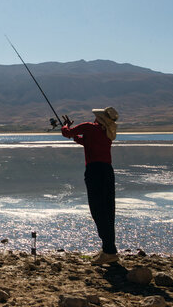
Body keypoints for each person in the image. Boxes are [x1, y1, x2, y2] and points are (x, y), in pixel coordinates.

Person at [61, 106, 120, 265]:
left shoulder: (89, 127)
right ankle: (109, 250)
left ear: (99, 118)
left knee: (98, 211)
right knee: (108, 211)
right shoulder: (107, 133)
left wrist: (66, 126)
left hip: (95, 172)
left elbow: (67, 133)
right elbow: (85, 141)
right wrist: (74, 134)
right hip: (108, 172)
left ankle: (109, 251)